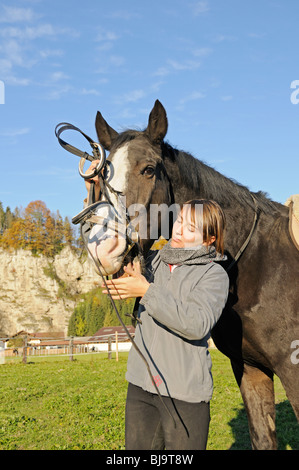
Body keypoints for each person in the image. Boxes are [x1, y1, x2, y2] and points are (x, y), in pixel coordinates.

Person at [83, 161, 229, 450]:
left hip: (185, 396)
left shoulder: (214, 275)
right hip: (140, 387)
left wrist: (146, 291)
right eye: (179, 221)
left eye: (191, 228)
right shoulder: (156, 258)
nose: (179, 230)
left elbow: (196, 323)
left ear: (210, 238)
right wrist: (94, 189)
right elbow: (116, 255)